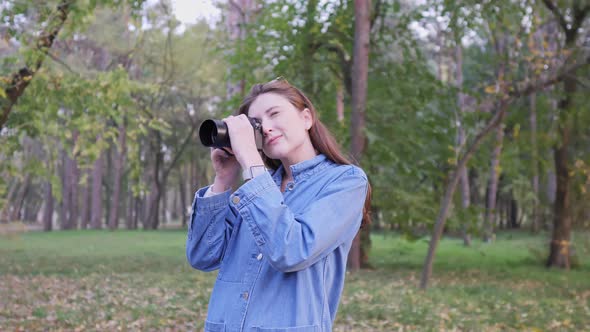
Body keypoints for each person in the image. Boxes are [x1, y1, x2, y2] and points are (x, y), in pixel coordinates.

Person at [186, 78, 371, 332]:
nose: (267, 128)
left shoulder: (345, 181)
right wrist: (223, 178)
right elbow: (202, 256)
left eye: (275, 114)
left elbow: (292, 249)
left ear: (306, 118)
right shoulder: (255, 190)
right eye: (257, 124)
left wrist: (250, 159)